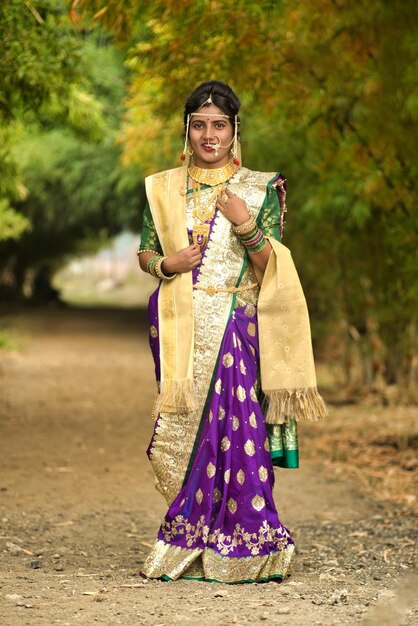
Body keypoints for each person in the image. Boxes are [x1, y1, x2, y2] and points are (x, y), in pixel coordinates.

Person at [137, 80, 326, 584]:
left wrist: (244, 224)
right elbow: (145, 252)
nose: (209, 135)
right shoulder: (162, 188)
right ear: (187, 130)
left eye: (219, 125)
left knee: (239, 436)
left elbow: (270, 269)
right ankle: (190, 540)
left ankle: (248, 546)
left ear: (234, 130)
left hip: (236, 331)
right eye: (199, 125)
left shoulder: (260, 188)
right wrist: (167, 264)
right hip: (180, 330)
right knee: (184, 440)